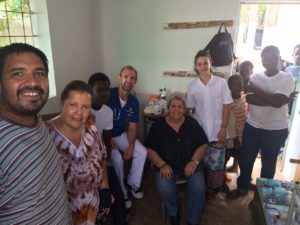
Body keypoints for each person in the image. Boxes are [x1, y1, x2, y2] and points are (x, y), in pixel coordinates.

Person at [0, 43, 71, 224]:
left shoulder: (32, 120)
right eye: (18, 73)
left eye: (39, 73)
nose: (32, 82)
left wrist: (72, 116)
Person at [229, 45, 295, 198]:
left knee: (268, 164)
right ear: (262, 60)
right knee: (246, 159)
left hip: (276, 129)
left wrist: (258, 91)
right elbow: (250, 98)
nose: (269, 60)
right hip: (253, 126)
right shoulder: (255, 77)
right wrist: (275, 99)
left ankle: (261, 195)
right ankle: (242, 187)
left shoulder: (287, 78)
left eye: (273, 56)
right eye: (265, 57)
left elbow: (278, 102)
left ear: (279, 57)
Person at [46, 80, 109, 224]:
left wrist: (105, 188)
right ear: (61, 104)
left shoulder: (92, 130)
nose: (79, 112)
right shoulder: (46, 136)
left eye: (85, 107)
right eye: (73, 105)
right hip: (62, 216)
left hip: (93, 210)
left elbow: (102, 158)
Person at [145, 94, 208, 225]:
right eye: (173, 106)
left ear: (184, 109)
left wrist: (194, 162)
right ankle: (173, 212)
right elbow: (150, 149)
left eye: (180, 106)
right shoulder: (158, 125)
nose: (176, 109)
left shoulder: (191, 123)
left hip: (190, 164)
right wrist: (162, 165)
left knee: (198, 188)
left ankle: (192, 220)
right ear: (168, 108)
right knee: (164, 187)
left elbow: (203, 144)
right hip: (166, 165)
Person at [186, 50, 233, 194]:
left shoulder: (221, 83)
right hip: (200, 132)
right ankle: (201, 189)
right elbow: (190, 109)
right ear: (196, 67)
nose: (203, 66)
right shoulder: (193, 86)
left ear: (211, 64)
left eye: (205, 63)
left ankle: (213, 189)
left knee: (216, 164)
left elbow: (227, 105)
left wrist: (224, 127)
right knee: (201, 162)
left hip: (218, 130)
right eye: (199, 64)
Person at [88, 72, 128, 225]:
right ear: (90, 89)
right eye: (100, 89)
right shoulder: (83, 110)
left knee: (118, 195)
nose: (105, 93)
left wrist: (106, 165)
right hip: (84, 162)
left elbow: (106, 141)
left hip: (100, 160)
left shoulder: (107, 112)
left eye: (107, 89)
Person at [107, 65, 147, 208]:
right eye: (126, 77)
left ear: (135, 81)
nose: (129, 80)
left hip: (120, 135)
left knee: (142, 152)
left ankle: (133, 184)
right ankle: (122, 193)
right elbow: (97, 122)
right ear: (119, 78)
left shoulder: (134, 102)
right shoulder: (108, 94)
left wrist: (130, 145)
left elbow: (132, 127)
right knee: (117, 159)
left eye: (132, 78)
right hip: (104, 136)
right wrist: (108, 140)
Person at [225, 75, 248, 173]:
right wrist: (235, 139)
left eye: (239, 84)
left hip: (244, 131)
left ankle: (235, 167)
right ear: (229, 87)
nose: (237, 87)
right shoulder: (228, 101)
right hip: (232, 135)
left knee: (240, 154)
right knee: (228, 155)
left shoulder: (245, 96)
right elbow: (229, 122)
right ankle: (222, 174)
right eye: (234, 85)